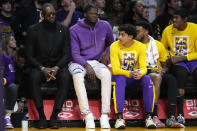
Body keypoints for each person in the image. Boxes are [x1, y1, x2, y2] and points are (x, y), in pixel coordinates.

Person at [26, 3, 71, 129]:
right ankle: (41, 116)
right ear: (43, 15)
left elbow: (67, 53)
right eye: (48, 14)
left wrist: (56, 68)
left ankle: (54, 116)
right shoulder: (33, 30)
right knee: (33, 77)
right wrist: (42, 68)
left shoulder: (64, 29)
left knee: (66, 77)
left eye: (53, 14)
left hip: (57, 66)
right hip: (39, 66)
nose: (51, 16)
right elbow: (29, 55)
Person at [69, 4, 114, 129]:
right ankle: (87, 114)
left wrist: (107, 54)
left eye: (96, 13)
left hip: (96, 61)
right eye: (92, 13)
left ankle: (105, 114)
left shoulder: (105, 25)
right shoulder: (74, 29)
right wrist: (86, 66)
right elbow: (74, 53)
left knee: (106, 74)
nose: (95, 16)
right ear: (85, 15)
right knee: (78, 76)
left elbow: (111, 43)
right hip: (78, 61)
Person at [135, 20, 184, 128]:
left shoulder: (157, 44)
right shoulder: (134, 45)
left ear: (146, 32)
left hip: (157, 70)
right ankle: (153, 115)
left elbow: (164, 64)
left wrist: (163, 70)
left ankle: (171, 117)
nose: (135, 34)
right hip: (142, 72)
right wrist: (152, 70)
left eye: (138, 31)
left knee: (171, 79)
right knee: (156, 77)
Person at [110, 24, 156, 129]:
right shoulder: (114, 46)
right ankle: (120, 118)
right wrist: (129, 73)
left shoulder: (140, 46)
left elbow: (144, 68)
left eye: (122, 35)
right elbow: (116, 70)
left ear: (130, 36)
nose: (119, 37)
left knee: (147, 78)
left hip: (135, 77)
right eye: (119, 34)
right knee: (120, 79)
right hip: (120, 77)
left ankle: (149, 117)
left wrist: (140, 73)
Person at [161, 8, 197, 126]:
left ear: (185, 19)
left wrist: (183, 57)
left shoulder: (194, 29)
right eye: (173, 18)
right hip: (177, 62)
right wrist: (169, 58)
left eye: (177, 18)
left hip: (191, 59)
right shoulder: (167, 30)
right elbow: (163, 49)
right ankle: (181, 114)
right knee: (180, 74)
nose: (173, 20)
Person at [0, 40, 17, 129]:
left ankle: (7, 116)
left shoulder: (7, 59)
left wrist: (3, 80)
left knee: (13, 87)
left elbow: (11, 75)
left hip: (3, 85)